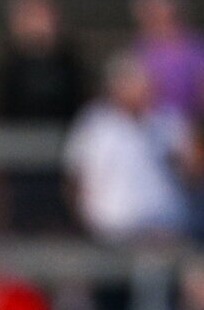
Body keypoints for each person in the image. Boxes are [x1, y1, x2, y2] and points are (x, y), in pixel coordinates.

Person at [63, 51, 189, 243]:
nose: (144, 90)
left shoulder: (168, 119)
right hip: (110, 229)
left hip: (163, 227)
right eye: (135, 84)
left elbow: (196, 173)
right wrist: (84, 221)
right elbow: (74, 176)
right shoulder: (94, 121)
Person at [0, 0, 85, 122]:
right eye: (32, 15)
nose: (39, 23)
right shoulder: (5, 68)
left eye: (43, 15)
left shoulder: (71, 65)